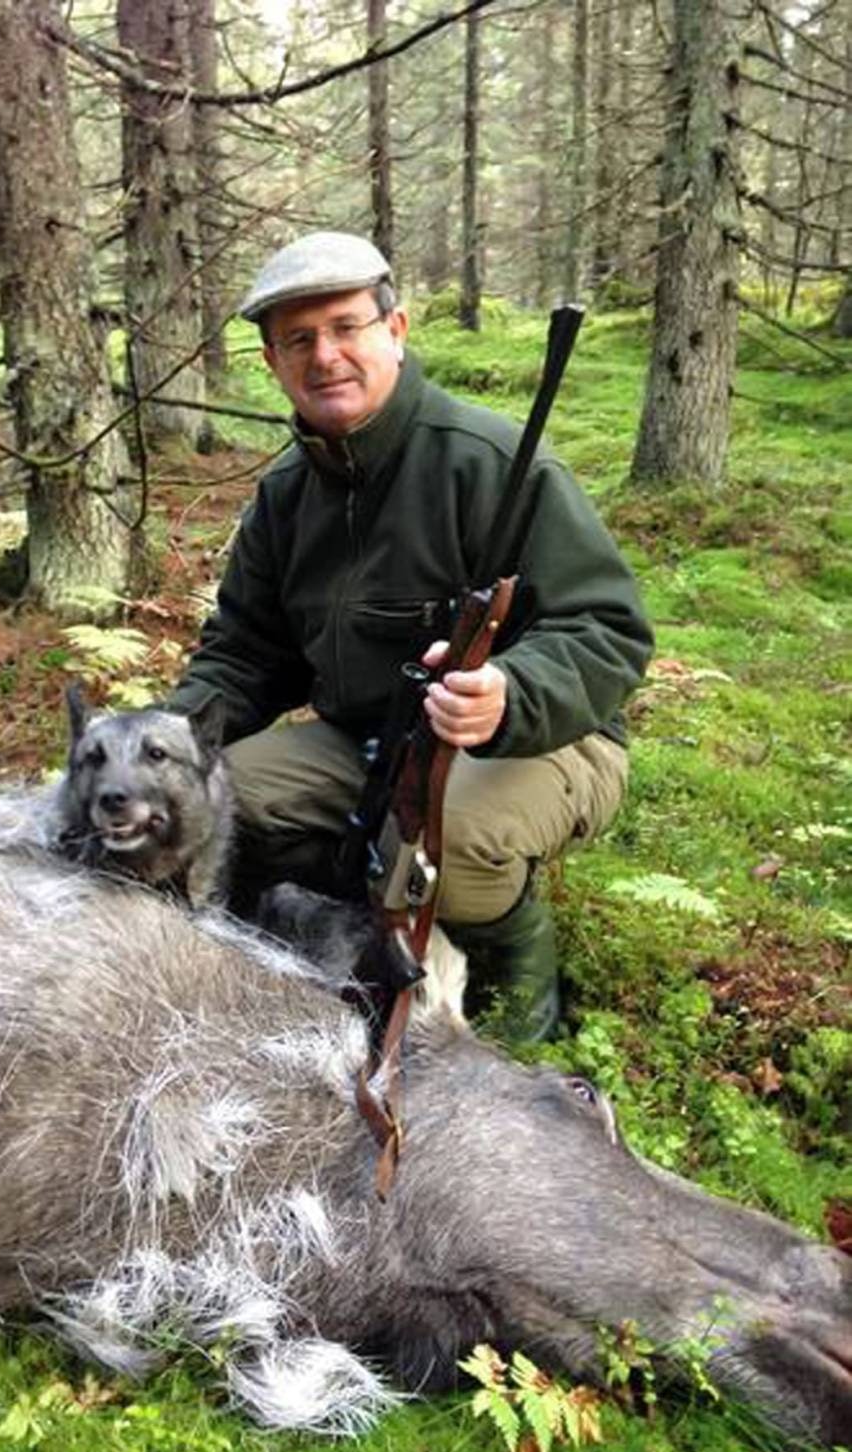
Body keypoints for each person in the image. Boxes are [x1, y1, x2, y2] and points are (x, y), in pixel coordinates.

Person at [166, 231, 653, 1039]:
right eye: (298, 339)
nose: (326, 356)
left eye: (347, 326)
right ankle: (331, 913)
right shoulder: (286, 494)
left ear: (395, 331)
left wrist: (510, 692)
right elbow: (246, 651)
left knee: (445, 842)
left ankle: (522, 973)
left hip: (544, 740)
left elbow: (608, 629)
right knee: (210, 800)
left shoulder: (492, 460)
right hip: (365, 737)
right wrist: (162, 740)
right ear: (273, 361)